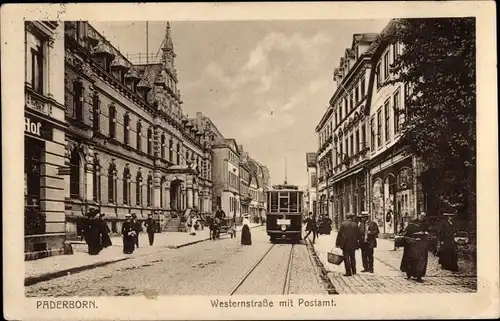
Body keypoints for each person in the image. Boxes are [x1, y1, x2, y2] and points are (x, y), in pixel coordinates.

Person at [399, 212, 429, 282]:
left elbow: (428, 232)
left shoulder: (425, 224)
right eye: (421, 216)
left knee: (421, 260)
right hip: (412, 245)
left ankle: (419, 275)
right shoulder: (412, 223)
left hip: (421, 245)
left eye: (423, 216)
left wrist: (426, 233)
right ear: (418, 216)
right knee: (411, 259)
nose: (422, 217)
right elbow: (406, 233)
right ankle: (409, 273)